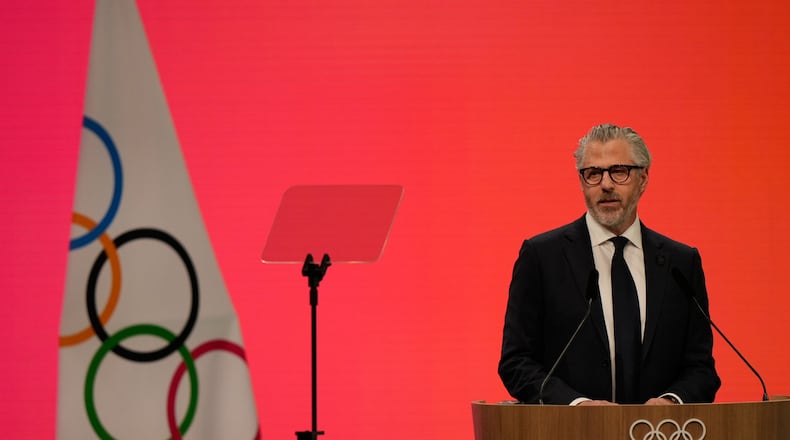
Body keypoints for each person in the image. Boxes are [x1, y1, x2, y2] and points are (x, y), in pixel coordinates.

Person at [498, 123, 720, 405]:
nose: (605, 184)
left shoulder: (681, 263)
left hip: (657, 433)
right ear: (581, 182)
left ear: (643, 178)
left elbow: (701, 368)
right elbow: (516, 361)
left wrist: (672, 401)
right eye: (593, 174)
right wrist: (577, 405)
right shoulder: (542, 257)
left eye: (618, 171)